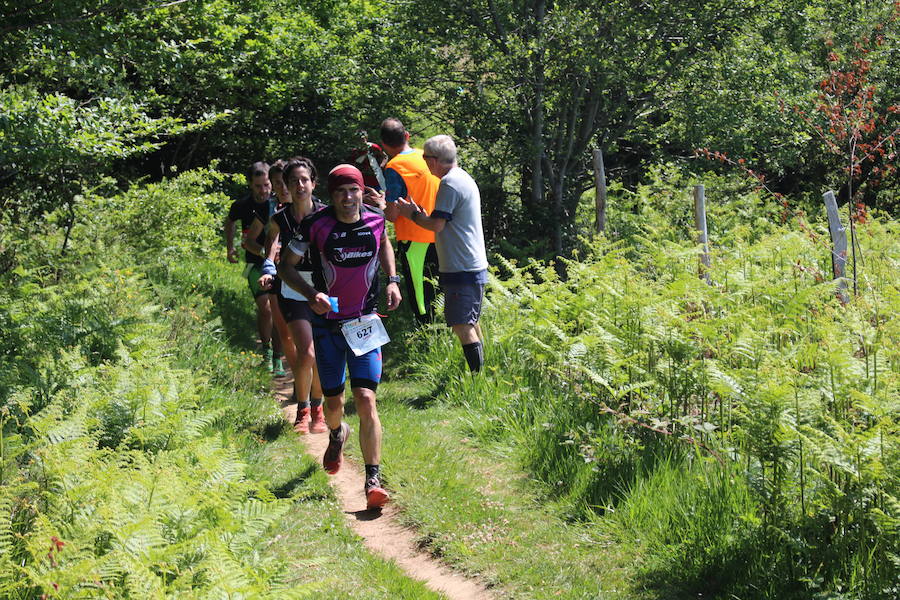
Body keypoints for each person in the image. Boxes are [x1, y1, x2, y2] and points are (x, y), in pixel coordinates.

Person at [277, 164, 402, 509]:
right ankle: (336, 433)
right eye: (340, 193)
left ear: (362, 191)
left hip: (363, 322)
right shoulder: (315, 225)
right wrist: (309, 293)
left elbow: (385, 243)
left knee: (365, 398)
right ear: (331, 196)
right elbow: (286, 265)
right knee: (334, 405)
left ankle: (373, 479)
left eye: (354, 191)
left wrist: (393, 280)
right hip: (327, 326)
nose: (348, 198)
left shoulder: (376, 219)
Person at [394, 135, 488, 373]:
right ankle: (483, 373)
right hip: (468, 264)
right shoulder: (461, 178)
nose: (424, 161)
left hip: (461, 266)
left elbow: (436, 225)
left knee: (461, 324)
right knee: (470, 321)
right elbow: (442, 220)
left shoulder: (449, 183)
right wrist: (419, 213)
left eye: (425, 157)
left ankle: (478, 378)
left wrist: (409, 213)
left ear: (434, 160)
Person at [257, 157, 326, 434]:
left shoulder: (325, 214)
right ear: (285, 186)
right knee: (306, 351)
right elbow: (271, 246)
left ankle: (319, 409)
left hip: (323, 291)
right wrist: (268, 268)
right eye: (294, 181)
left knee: (319, 354)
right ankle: (303, 409)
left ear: (313, 183)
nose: (299, 185)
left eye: (304, 180)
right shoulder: (279, 219)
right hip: (292, 290)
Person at [380, 117, 441, 324]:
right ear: (407, 136)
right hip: (441, 233)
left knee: (421, 297)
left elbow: (392, 214)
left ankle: (429, 339)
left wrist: (380, 203)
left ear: (384, 146)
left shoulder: (395, 167)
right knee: (441, 291)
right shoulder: (426, 157)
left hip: (415, 240)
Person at [224, 161, 283, 372]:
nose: (263, 190)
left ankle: (278, 356)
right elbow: (229, 222)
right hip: (255, 264)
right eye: (258, 186)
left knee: (278, 312)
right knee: (265, 308)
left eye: (267, 185)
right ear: (250, 184)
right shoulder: (242, 205)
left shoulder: (280, 204)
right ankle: (266, 351)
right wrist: (230, 248)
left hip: (281, 265)